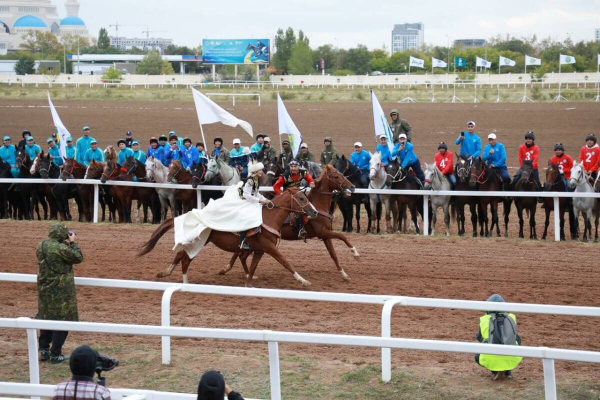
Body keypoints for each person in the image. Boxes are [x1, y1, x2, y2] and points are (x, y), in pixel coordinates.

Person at [36, 223, 83, 364]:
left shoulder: (41, 245)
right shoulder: (60, 248)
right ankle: (55, 354)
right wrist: (73, 243)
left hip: (45, 288)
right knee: (62, 320)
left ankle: (43, 349)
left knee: (46, 317)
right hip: (61, 290)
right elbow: (78, 257)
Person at [475, 294, 522, 380]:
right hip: (513, 358)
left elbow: (479, 337)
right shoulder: (512, 317)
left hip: (490, 356)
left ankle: (495, 371)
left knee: (478, 355)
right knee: (517, 338)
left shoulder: (484, 319)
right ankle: (507, 371)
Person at [273, 160, 315, 240]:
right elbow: (276, 187)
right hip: (287, 195)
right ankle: (300, 229)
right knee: (298, 209)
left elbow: (310, 179)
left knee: (307, 203)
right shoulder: (285, 176)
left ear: (298, 167)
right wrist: (282, 195)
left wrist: (311, 182)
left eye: (295, 166)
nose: (293, 168)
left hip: (297, 194)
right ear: (289, 167)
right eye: (291, 167)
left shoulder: (303, 172)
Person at [237, 160, 269, 249]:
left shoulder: (256, 179)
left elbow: (256, 193)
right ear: (255, 172)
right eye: (260, 170)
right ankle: (241, 241)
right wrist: (259, 200)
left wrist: (265, 199)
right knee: (249, 217)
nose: (262, 172)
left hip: (251, 199)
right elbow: (246, 194)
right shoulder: (250, 180)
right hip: (245, 200)